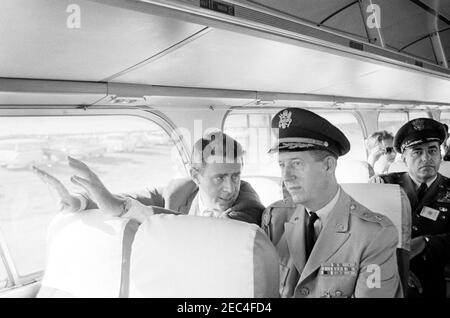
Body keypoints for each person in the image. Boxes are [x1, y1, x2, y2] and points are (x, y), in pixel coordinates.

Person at [262, 108, 402, 298]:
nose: (286, 176)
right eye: (282, 165)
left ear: (328, 165)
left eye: (296, 163)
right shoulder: (274, 218)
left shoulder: (375, 234)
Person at [33, 131, 264, 225]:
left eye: (235, 176)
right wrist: (79, 200)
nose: (230, 188)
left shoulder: (249, 206)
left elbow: (205, 233)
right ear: (195, 175)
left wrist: (124, 209)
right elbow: (134, 197)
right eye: (220, 178)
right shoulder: (178, 190)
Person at [370, 118, 450, 298]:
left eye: (432, 150)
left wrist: (426, 242)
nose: (426, 158)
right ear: (404, 157)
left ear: (440, 155)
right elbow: (367, 235)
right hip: (386, 269)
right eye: (416, 152)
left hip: (433, 272)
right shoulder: (384, 184)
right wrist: (397, 268)